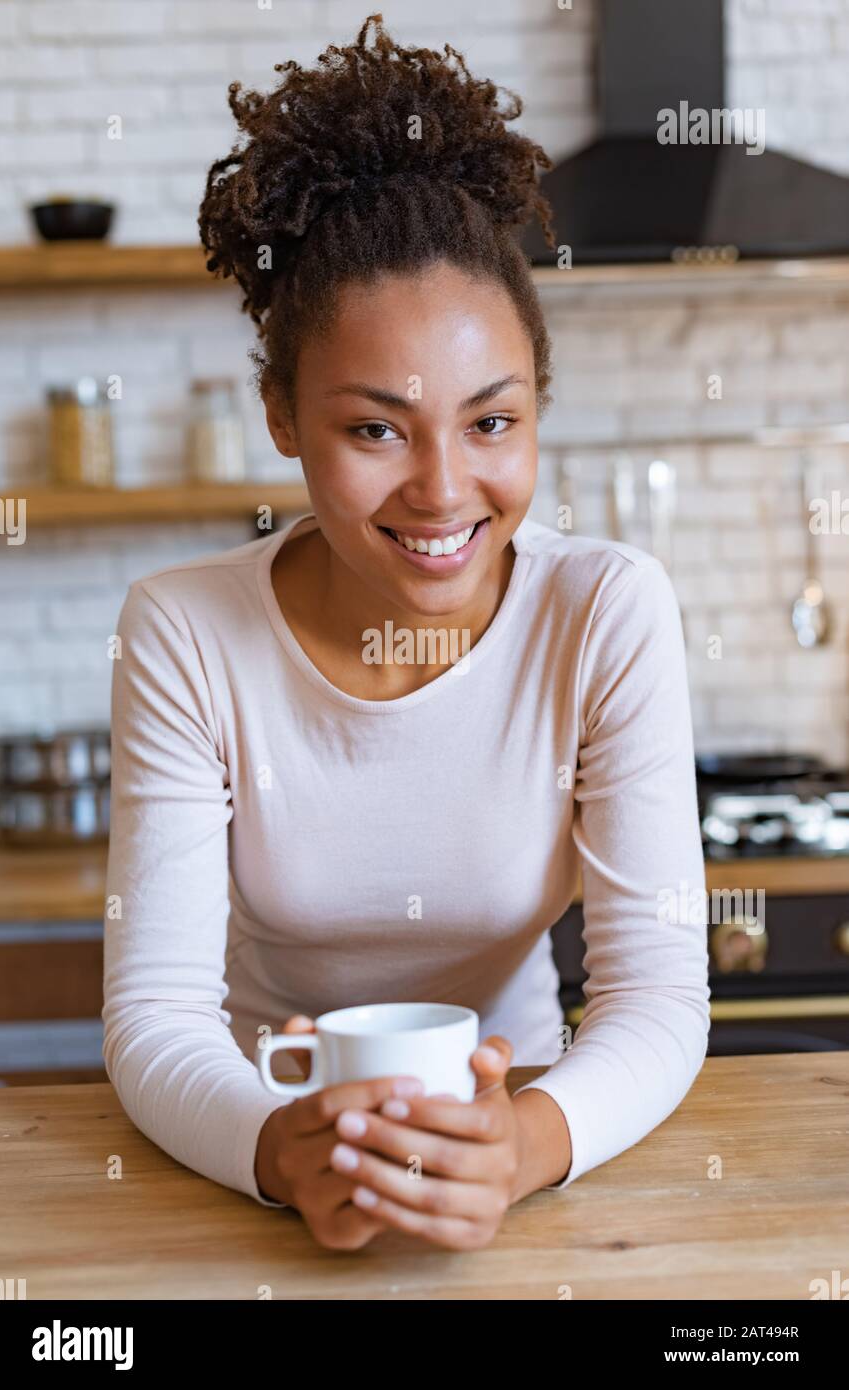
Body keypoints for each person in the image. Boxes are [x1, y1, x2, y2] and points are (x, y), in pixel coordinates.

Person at [102, 13, 710, 1253]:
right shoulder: (186, 633)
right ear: (282, 414)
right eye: (377, 429)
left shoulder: (606, 613)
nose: (443, 491)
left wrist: (524, 1144)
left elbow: (657, 998)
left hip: (538, 1130)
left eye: (492, 423)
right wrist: (283, 1151)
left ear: (538, 403)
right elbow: (156, 1016)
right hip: (263, 1131)